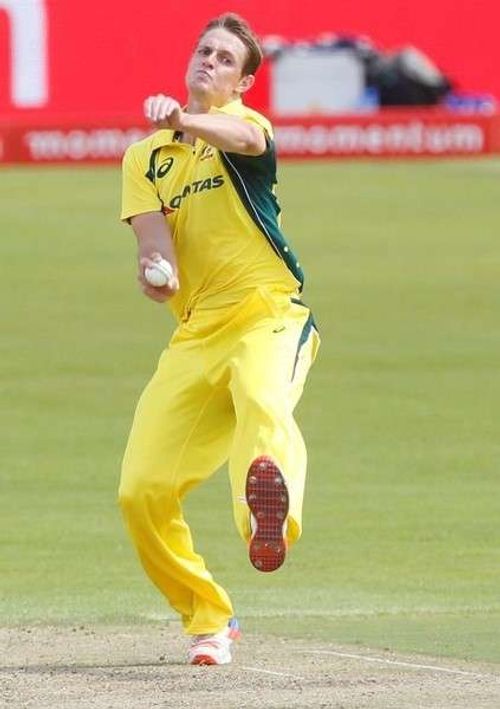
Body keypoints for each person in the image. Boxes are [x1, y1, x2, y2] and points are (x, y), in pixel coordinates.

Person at [118, 13, 319, 666]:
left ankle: (267, 524)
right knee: (141, 491)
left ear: (245, 81)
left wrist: (184, 119)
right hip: (196, 333)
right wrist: (159, 270)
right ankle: (208, 616)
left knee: (264, 399)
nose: (209, 61)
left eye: (225, 58)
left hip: (268, 314)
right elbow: (152, 238)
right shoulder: (144, 157)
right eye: (203, 50)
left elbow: (243, 138)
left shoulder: (244, 129)